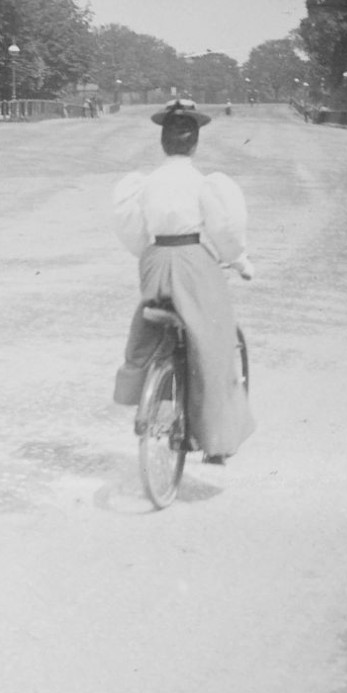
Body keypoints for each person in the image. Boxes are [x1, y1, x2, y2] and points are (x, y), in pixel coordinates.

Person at [111, 97, 256, 465]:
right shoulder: (203, 183)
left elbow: (133, 234)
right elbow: (225, 230)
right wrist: (238, 261)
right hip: (192, 262)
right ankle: (216, 439)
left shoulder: (143, 184)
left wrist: (150, 253)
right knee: (214, 341)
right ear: (194, 143)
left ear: (163, 142)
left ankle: (150, 398)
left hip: (154, 261)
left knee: (153, 329)